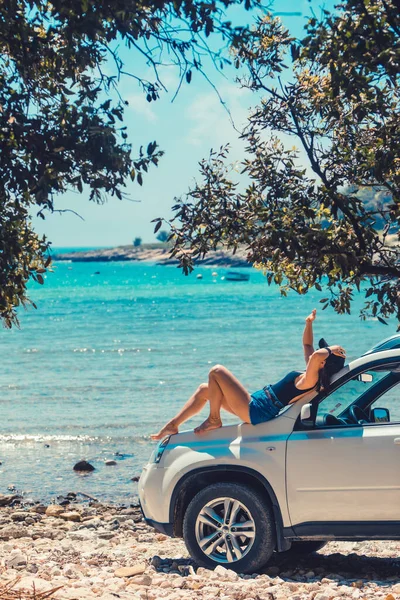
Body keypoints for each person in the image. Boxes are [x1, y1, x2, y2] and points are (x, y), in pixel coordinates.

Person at [151, 309, 346, 440]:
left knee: (216, 371)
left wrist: (334, 349)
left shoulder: (310, 380)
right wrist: (308, 323)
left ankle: (214, 419)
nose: (316, 353)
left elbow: (315, 356)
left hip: (257, 410)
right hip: (255, 405)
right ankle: (172, 425)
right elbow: (307, 345)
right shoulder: (312, 373)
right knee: (205, 390)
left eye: (323, 353)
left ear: (323, 363)